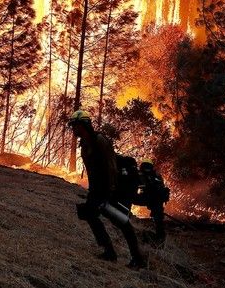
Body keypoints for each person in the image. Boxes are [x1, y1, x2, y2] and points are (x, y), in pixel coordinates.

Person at [70, 111, 146, 269]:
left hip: (112, 188)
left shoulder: (99, 140)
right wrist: (93, 191)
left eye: (75, 125)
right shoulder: (85, 144)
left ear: (84, 125)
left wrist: (109, 192)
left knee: (122, 222)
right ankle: (109, 252)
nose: (73, 129)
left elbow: (110, 166)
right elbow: (92, 171)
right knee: (89, 213)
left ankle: (138, 259)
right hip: (98, 189)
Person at [133, 159, 168, 244]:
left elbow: (132, 189)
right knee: (158, 217)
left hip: (151, 199)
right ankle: (160, 235)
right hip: (155, 200)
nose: (147, 169)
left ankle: (160, 236)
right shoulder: (156, 175)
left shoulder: (139, 175)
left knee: (158, 217)